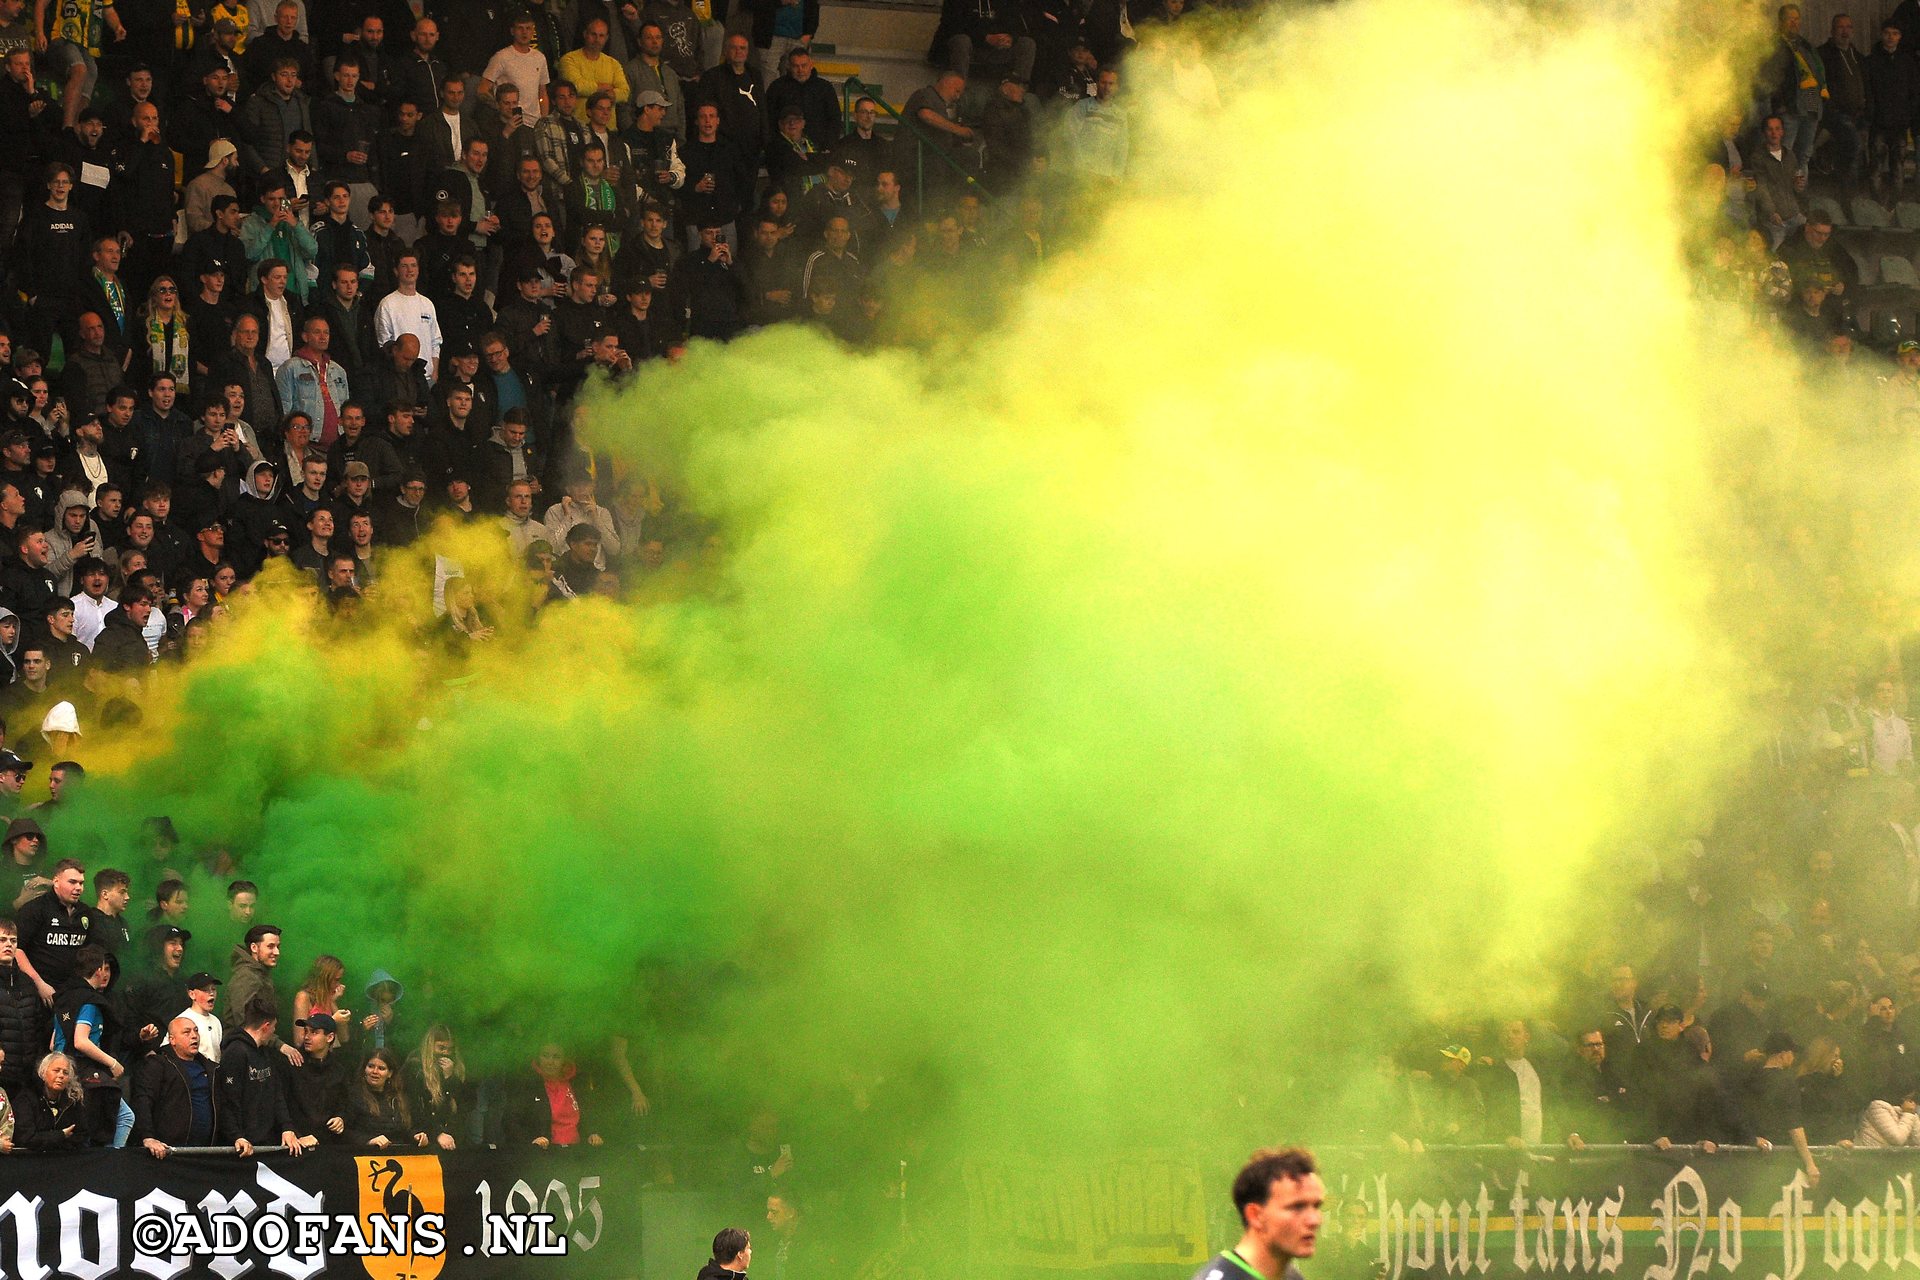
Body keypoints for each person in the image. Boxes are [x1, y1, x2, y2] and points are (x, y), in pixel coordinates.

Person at [1190, 1149, 1322, 1280]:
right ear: (1255, 1216)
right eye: (1297, 1207)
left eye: (1316, 1206)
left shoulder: (1291, 1276)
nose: (1314, 1220)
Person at [133, 1015, 243, 1157]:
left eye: (196, 1031)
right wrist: (147, 1137)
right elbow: (143, 1101)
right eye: (187, 1032)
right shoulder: (157, 1065)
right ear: (172, 1039)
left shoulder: (212, 1069)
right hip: (166, 1154)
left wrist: (237, 1136)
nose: (194, 1036)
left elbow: (223, 1107)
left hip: (205, 1154)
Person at [216, 998, 302, 1155]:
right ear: (266, 1026)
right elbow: (227, 1101)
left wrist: (287, 1127)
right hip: (241, 1146)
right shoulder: (235, 1052)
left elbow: (276, 1093)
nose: (274, 1032)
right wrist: (237, 1136)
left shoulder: (265, 1052)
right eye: (274, 1028)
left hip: (267, 1141)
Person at [10, 1052, 88, 1149]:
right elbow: (25, 1138)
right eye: (56, 1070)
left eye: (65, 1072)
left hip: (64, 1158)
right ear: (43, 1072)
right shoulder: (26, 1098)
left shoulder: (73, 1100)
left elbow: (81, 1136)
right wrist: (60, 1135)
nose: (61, 1075)